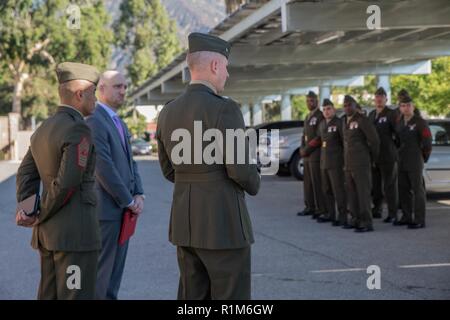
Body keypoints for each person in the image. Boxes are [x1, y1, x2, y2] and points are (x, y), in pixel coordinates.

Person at [156, 32, 260, 300]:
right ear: (215, 66)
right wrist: (254, 180)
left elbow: (169, 170)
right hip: (222, 224)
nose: (227, 74)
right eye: (225, 67)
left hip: (185, 224)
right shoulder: (225, 110)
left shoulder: (168, 111)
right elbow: (241, 170)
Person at [16, 62, 101, 299]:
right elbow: (67, 183)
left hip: (48, 237)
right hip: (75, 238)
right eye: (94, 92)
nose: (96, 99)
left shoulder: (44, 128)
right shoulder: (78, 130)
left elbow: (26, 174)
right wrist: (40, 213)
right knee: (76, 295)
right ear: (79, 94)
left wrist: (28, 210)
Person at [86, 71, 145, 299]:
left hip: (122, 212)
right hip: (106, 212)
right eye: (117, 86)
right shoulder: (94, 119)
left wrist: (139, 192)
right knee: (102, 278)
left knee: (113, 277)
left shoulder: (117, 120)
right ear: (101, 89)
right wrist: (128, 200)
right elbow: (103, 166)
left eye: (125, 87)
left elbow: (130, 162)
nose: (123, 91)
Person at [342, 95, 380, 232]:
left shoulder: (362, 120)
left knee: (363, 194)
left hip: (361, 163)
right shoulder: (345, 121)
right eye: (345, 105)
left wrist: (371, 158)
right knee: (352, 194)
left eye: (349, 105)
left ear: (355, 106)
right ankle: (355, 219)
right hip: (349, 164)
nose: (347, 107)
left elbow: (374, 141)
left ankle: (366, 222)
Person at [395, 89, 432, 229]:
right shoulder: (399, 121)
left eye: (408, 105)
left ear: (413, 106)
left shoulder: (420, 122)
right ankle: (406, 216)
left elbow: (427, 142)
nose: (405, 108)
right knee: (403, 189)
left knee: (417, 190)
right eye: (403, 106)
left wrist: (423, 157)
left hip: (415, 159)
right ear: (400, 107)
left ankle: (419, 219)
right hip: (401, 159)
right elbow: (397, 140)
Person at [368, 87, 399, 223]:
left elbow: (399, 134)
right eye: (377, 97)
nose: (379, 99)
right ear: (374, 99)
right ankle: (377, 209)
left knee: (389, 186)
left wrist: (393, 148)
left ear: (386, 99)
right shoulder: (371, 114)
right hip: (374, 156)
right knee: (375, 186)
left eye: (382, 97)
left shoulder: (391, 114)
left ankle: (392, 214)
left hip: (388, 156)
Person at [317, 99, 347, 226]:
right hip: (324, 162)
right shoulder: (322, 124)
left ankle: (342, 216)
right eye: (324, 109)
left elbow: (344, 143)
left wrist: (345, 162)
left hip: (336, 163)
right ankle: (330, 214)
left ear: (334, 110)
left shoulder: (339, 123)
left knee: (338, 190)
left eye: (328, 109)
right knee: (327, 190)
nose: (326, 111)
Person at [297, 91, 326, 219]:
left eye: (312, 100)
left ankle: (320, 209)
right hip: (307, 156)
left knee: (317, 183)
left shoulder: (320, 116)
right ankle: (309, 206)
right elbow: (304, 135)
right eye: (308, 101)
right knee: (307, 183)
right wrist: (302, 148)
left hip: (315, 154)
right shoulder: (308, 116)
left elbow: (319, 137)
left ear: (317, 101)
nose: (310, 103)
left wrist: (307, 149)